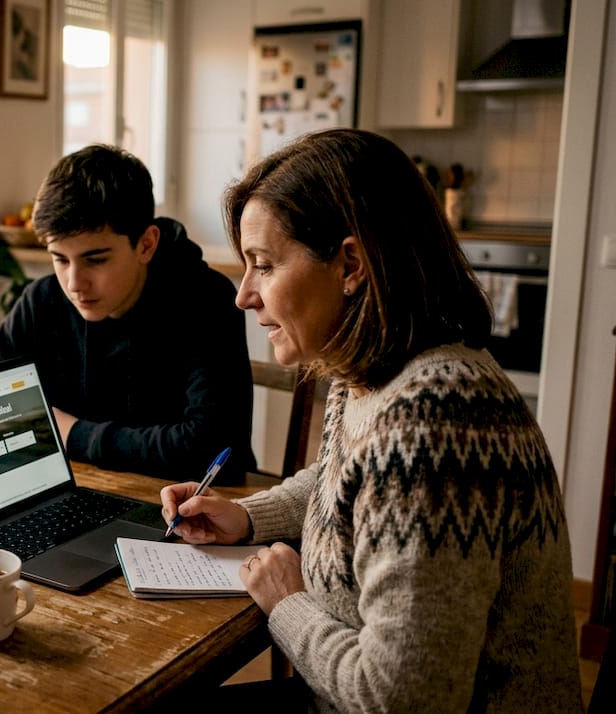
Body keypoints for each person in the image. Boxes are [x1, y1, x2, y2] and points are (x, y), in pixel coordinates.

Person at [161, 128, 581, 711]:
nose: (245, 295)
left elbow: (403, 699)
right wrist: (248, 516)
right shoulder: (372, 370)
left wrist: (287, 603)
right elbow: (346, 481)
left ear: (350, 264)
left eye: (264, 265)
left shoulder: (434, 423)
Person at [0, 144, 256, 483]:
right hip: (78, 487)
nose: (74, 283)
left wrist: (73, 434)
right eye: (60, 259)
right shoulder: (43, 299)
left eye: (95, 260)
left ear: (146, 244)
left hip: (182, 501)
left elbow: (216, 450)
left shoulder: (206, 300)